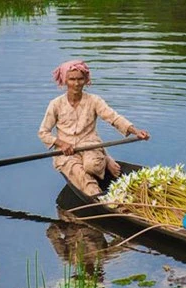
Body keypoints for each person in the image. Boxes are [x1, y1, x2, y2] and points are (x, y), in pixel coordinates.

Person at [38, 60, 150, 195]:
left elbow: (113, 117)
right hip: (66, 153)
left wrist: (136, 131)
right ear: (65, 80)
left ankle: (105, 157)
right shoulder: (55, 104)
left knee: (91, 166)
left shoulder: (94, 100)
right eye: (72, 79)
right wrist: (61, 143)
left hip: (90, 145)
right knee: (84, 180)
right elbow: (43, 133)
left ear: (86, 80)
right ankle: (102, 199)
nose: (76, 83)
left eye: (80, 79)